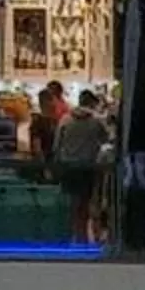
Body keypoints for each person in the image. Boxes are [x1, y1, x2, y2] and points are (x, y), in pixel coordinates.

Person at [54, 87, 108, 240]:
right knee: (87, 203)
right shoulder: (96, 121)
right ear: (92, 103)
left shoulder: (65, 119)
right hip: (88, 167)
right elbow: (106, 140)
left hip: (68, 167)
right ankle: (84, 236)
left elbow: (57, 145)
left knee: (71, 203)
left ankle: (71, 234)